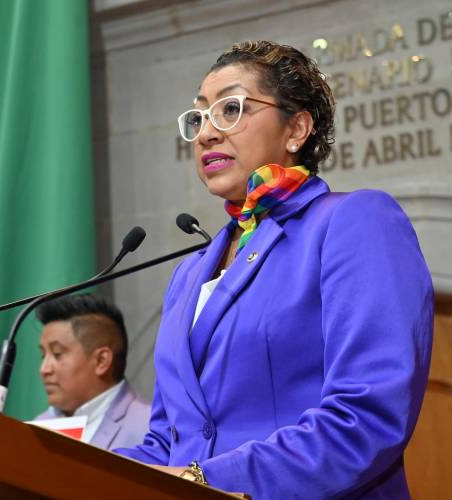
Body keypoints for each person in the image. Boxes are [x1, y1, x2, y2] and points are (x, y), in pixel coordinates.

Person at [115, 40, 433, 499]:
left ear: (296, 128)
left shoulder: (351, 222)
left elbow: (366, 415)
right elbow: (167, 445)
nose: (206, 133)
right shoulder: (189, 274)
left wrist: (206, 481)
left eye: (231, 109)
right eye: (200, 117)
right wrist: (54, 467)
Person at [33, 293, 151, 451]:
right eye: (43, 355)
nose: (44, 369)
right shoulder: (38, 427)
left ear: (102, 361)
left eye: (57, 354)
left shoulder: (149, 428)